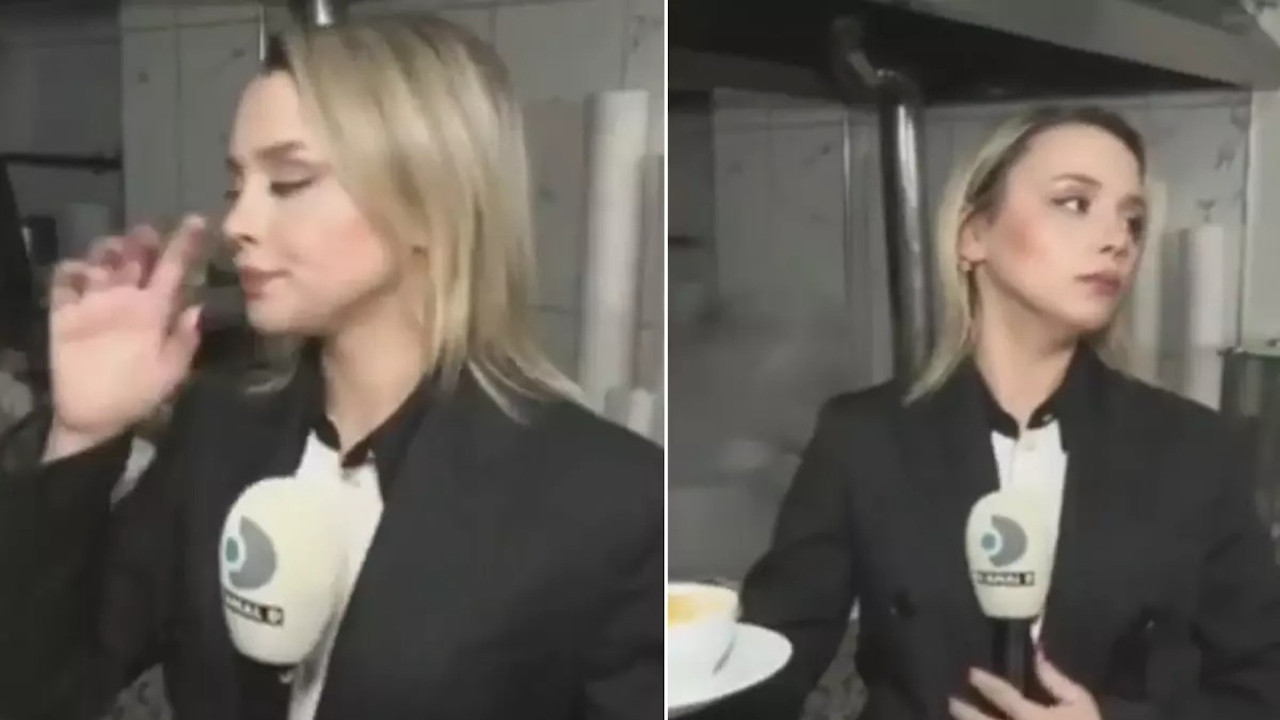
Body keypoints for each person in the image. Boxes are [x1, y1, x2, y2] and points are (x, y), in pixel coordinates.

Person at [0, 16, 661, 720]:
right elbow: (36, 688)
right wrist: (81, 433)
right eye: (236, 185)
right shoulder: (218, 433)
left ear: (429, 201)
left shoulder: (607, 500)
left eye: (289, 181)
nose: (238, 223)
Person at [691, 106, 1280, 720]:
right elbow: (763, 670)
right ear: (973, 234)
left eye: (1132, 219)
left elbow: (1263, 684)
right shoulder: (863, 439)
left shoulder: (1193, 448)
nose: (1117, 239)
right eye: (1074, 203)